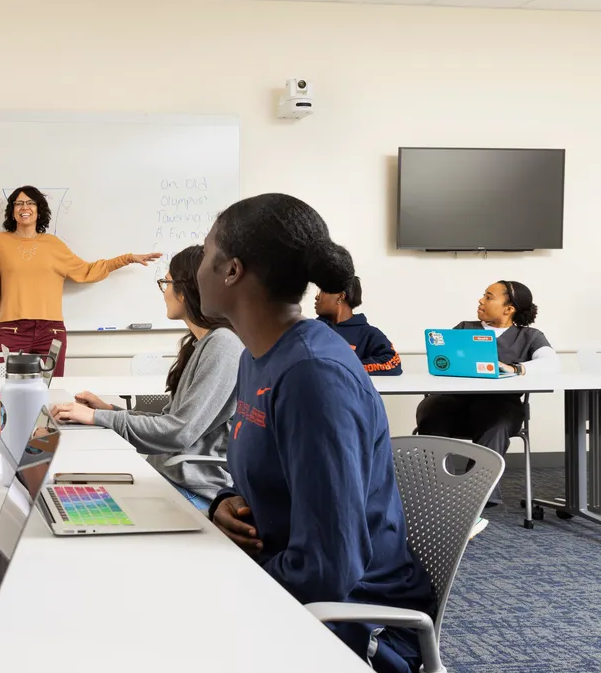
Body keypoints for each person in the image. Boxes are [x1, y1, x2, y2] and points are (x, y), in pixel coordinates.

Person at [196, 193, 434, 673]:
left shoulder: (313, 374)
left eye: (203, 254)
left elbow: (329, 569)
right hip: (286, 585)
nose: (196, 267)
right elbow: (263, 475)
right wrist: (225, 503)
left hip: (350, 621)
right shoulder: (256, 357)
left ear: (231, 271)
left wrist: (228, 586)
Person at [50, 245, 243, 511]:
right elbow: (171, 421)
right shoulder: (199, 344)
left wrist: (99, 418)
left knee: (81, 503)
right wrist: (108, 410)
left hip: (193, 491)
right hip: (168, 477)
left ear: (186, 290)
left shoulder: (223, 345)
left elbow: (178, 432)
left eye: (166, 283)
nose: (164, 293)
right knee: (69, 490)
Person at [0, 186, 161, 376]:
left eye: (30, 202)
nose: (25, 207)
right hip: (11, 330)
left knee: (49, 395)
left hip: (50, 332)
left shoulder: (53, 244)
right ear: (12, 210)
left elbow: (87, 271)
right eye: (19, 203)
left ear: (39, 209)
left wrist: (127, 258)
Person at [415, 280, 557, 516]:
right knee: (432, 415)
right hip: (454, 402)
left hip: (500, 405)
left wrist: (515, 368)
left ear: (508, 308)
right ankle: (440, 494)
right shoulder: (464, 328)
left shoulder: (529, 336)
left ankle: (474, 495)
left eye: (489, 297)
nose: (481, 300)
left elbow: (552, 363)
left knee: (497, 425)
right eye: (483, 295)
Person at [315, 276, 403, 376]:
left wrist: (343, 369)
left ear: (340, 297)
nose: (317, 297)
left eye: (322, 291)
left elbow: (392, 363)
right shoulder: (310, 330)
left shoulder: (369, 334)